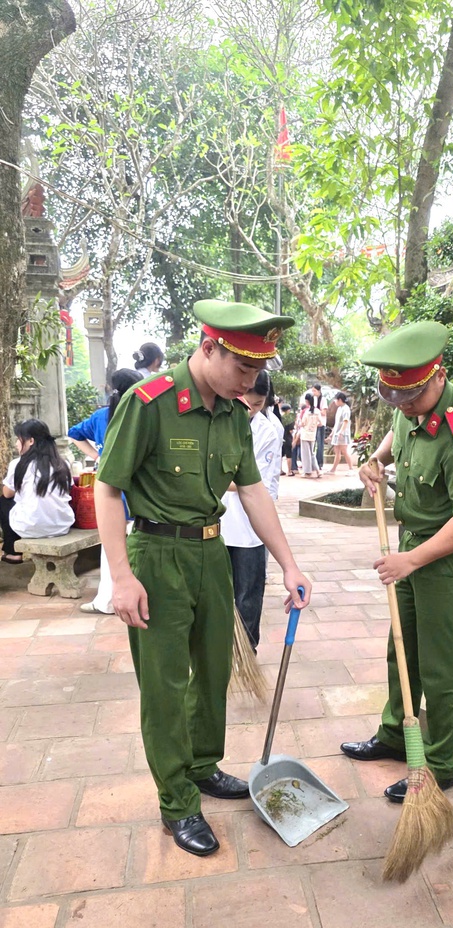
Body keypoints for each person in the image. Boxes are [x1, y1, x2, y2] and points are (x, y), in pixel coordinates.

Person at [94, 299, 312, 858]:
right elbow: (108, 488)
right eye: (243, 367)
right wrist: (121, 577)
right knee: (165, 685)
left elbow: (253, 491)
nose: (250, 381)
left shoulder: (235, 414)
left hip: (212, 553)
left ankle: (202, 764)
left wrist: (288, 564)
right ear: (209, 348)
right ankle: (177, 801)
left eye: (258, 370)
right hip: (156, 555)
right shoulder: (151, 402)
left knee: (214, 668)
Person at [340, 320, 453, 803]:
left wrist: (410, 561)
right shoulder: (410, 406)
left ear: (439, 376)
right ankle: (394, 734)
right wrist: (376, 461)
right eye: (395, 396)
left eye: (411, 397)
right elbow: (397, 433)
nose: (403, 406)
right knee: (401, 650)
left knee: (442, 663)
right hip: (411, 547)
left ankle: (441, 764)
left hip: (447, 559)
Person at [68, 368, 143, 614]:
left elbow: (74, 434)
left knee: (110, 549)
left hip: (108, 495)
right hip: (138, 495)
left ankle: (107, 601)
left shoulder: (101, 416)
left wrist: (96, 455)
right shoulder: (141, 414)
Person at [221, 370, 282, 650]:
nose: (251, 409)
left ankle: (246, 652)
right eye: (246, 402)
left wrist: (214, 477)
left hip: (249, 529)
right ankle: (219, 654)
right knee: (218, 595)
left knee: (247, 597)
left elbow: (258, 486)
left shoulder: (267, 431)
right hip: (217, 527)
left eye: (258, 404)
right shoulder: (220, 420)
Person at [0, 419, 74, 564]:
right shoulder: (62, 463)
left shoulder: (18, 464)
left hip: (29, 528)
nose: (16, 444)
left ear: (31, 441)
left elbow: (8, 493)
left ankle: (12, 552)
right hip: (62, 526)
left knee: (4, 501)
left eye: (19, 439)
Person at [328, 392, 354, 473]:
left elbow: (345, 421)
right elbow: (337, 423)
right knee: (337, 451)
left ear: (339, 400)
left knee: (344, 451)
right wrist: (333, 433)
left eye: (336, 400)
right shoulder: (339, 409)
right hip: (337, 433)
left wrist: (341, 432)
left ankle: (351, 469)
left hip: (343, 433)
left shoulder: (346, 409)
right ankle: (333, 469)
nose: (335, 402)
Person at [299, 393, 322, 479]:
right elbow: (321, 423)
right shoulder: (317, 411)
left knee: (306, 454)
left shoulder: (307, 412)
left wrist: (300, 424)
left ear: (307, 401)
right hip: (313, 435)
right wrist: (314, 425)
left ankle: (307, 472)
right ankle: (318, 471)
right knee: (312, 453)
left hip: (305, 434)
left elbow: (302, 423)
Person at [311, 383, 328, 470]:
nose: (313, 392)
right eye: (312, 391)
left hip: (321, 424)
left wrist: (316, 410)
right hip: (313, 423)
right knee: (312, 444)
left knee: (320, 444)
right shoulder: (313, 399)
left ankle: (320, 462)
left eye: (314, 391)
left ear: (319, 391)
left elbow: (324, 412)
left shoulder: (323, 400)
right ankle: (313, 462)